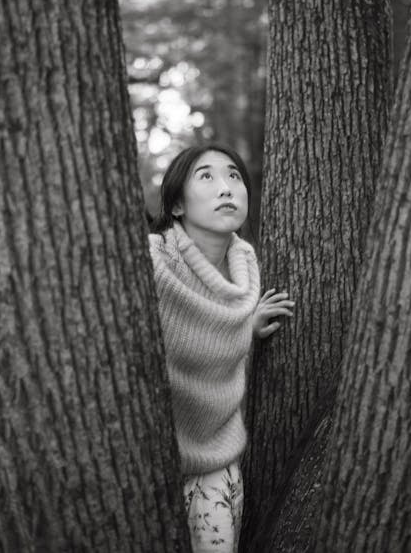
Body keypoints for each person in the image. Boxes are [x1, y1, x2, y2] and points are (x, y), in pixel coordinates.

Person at [149, 143, 294, 553]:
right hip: (150, 462)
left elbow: (210, 338)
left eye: (234, 176)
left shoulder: (245, 269)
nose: (226, 187)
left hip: (216, 459)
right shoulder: (153, 261)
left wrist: (247, 327)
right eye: (206, 176)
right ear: (177, 204)